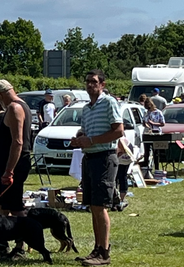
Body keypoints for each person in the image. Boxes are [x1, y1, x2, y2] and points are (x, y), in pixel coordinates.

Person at [70, 69, 123, 266]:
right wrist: (78, 139)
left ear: (102, 84)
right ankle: (97, 248)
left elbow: (118, 131)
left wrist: (91, 140)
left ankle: (104, 252)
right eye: (87, 82)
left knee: (100, 206)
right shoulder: (86, 108)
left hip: (104, 157)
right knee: (92, 206)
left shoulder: (108, 102)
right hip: (89, 157)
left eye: (93, 81)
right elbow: (85, 131)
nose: (90, 85)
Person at [0, 79, 32, 259]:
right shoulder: (18, 106)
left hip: (15, 165)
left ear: (1, 94)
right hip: (9, 164)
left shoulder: (15, 108)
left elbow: (18, 142)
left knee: (15, 207)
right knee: (2, 204)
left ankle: (20, 246)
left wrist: (9, 171)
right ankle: (3, 243)